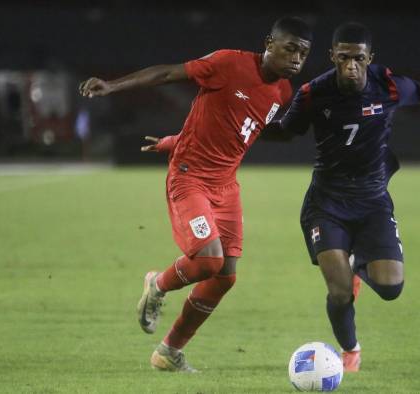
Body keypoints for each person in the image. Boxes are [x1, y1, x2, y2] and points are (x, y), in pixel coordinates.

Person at [79, 16, 312, 372]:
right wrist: (112, 86)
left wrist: (175, 139)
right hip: (189, 179)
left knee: (225, 276)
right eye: (290, 48)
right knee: (207, 260)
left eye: (304, 53)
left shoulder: (282, 92)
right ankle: (157, 284)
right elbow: (167, 74)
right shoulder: (228, 63)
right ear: (269, 43)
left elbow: (237, 129)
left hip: (226, 185)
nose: (296, 58)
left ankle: (169, 352)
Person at [263, 22, 420, 372]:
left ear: (370, 58)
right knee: (339, 293)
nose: (351, 66)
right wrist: (240, 124)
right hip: (326, 203)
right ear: (332, 57)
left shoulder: (388, 85)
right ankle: (350, 350)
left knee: (390, 288)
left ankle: (358, 265)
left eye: (358, 58)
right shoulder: (314, 93)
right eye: (343, 58)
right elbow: (285, 131)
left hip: (372, 201)